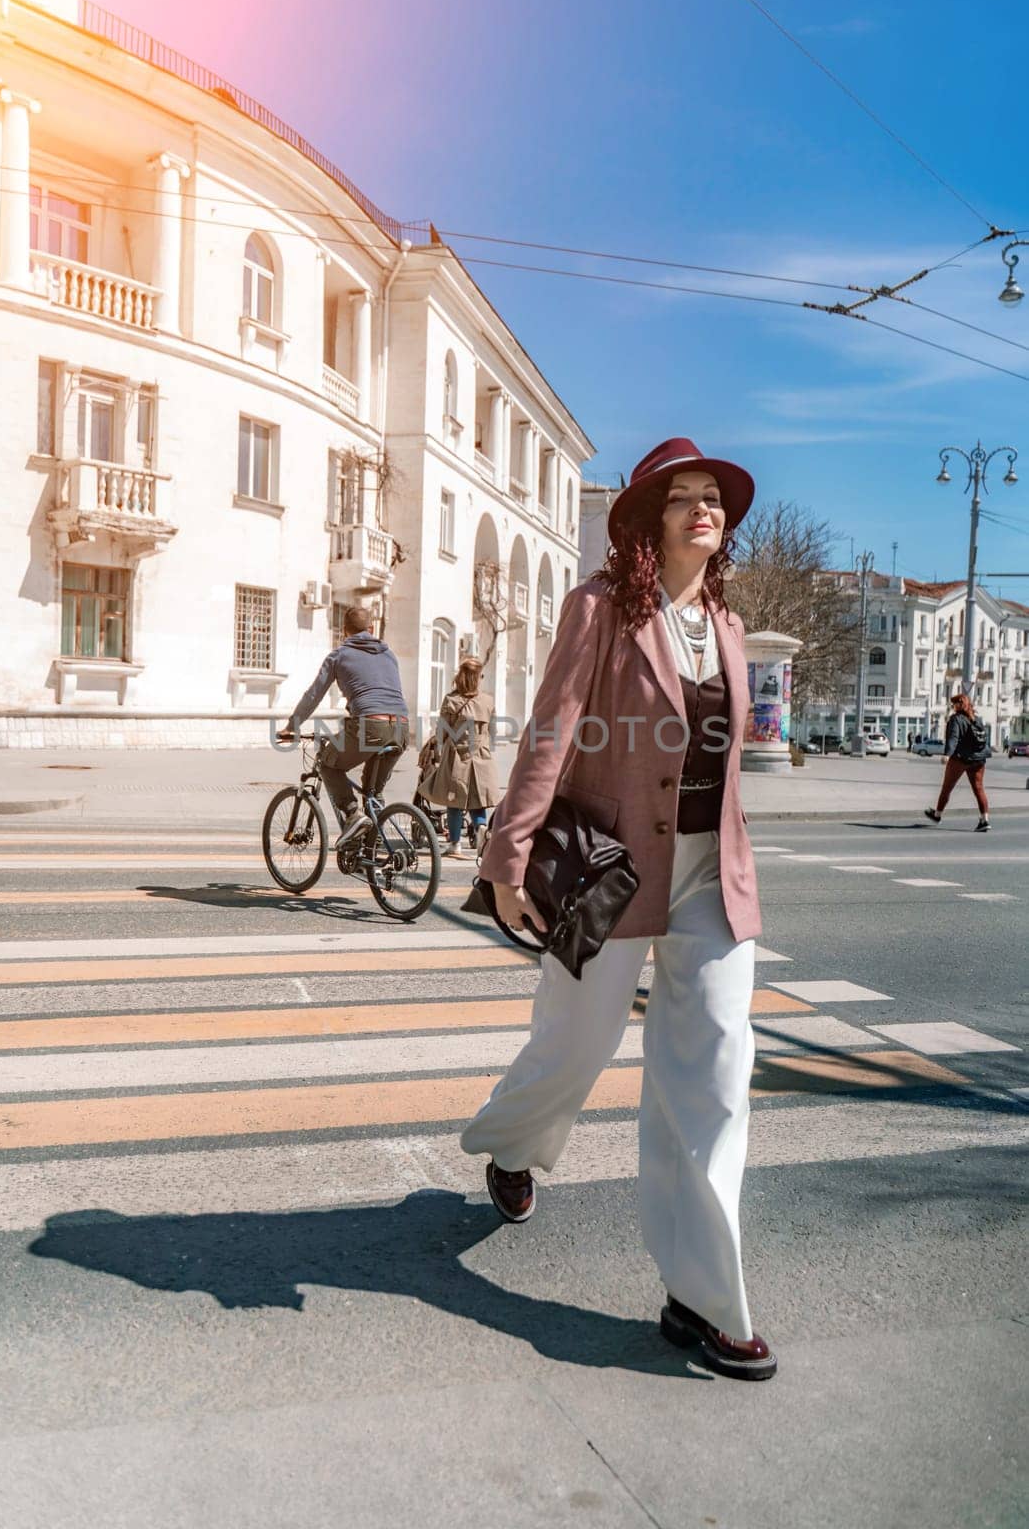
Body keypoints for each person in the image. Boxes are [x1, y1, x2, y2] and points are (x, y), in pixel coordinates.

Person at [459, 436, 777, 1382]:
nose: (702, 508)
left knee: (715, 1072)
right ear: (644, 519)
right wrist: (508, 853)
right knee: (573, 1048)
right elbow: (554, 726)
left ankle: (703, 1299)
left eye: (713, 497)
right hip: (609, 872)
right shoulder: (600, 607)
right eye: (680, 496)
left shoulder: (724, 619)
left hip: (708, 875)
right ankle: (512, 1144)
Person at [279, 605, 409, 846]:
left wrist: (292, 726)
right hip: (402, 727)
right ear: (371, 629)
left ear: (344, 632)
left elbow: (313, 695)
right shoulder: (389, 654)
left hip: (369, 726)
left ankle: (351, 814)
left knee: (328, 764)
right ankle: (374, 844)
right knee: (372, 791)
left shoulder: (339, 655)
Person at [421, 654, 498, 861]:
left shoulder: (452, 700)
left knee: (454, 801)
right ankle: (481, 827)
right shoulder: (488, 701)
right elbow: (493, 731)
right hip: (481, 755)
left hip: (457, 756)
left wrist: (435, 754)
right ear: (477, 678)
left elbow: (441, 733)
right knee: (477, 800)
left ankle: (455, 844)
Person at [924, 692, 991, 831]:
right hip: (979, 759)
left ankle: (937, 815)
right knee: (979, 789)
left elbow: (953, 738)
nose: (952, 706)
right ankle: (985, 820)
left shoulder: (956, 719)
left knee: (947, 787)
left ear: (959, 705)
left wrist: (947, 754)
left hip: (960, 758)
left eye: (953, 704)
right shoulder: (977, 719)